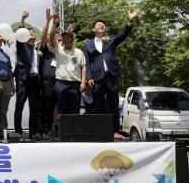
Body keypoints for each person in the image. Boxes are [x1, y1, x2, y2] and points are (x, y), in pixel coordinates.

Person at [84, 9, 141, 139]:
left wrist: (130, 20)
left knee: (113, 105)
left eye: (103, 25)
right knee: (98, 105)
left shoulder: (111, 40)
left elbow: (123, 34)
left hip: (112, 76)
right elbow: (87, 62)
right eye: (99, 24)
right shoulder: (88, 44)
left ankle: (115, 131)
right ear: (94, 29)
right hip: (96, 78)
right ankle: (100, 131)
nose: (102, 26)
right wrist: (88, 77)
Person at [49, 13, 87, 115]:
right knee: (62, 111)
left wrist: (83, 82)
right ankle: (62, 126)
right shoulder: (59, 50)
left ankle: (73, 126)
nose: (66, 39)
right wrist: (54, 24)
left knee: (74, 111)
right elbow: (51, 37)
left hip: (75, 84)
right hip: (61, 83)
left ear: (72, 39)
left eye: (68, 37)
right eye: (64, 38)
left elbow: (83, 67)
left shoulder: (79, 52)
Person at [13, 10, 41, 137]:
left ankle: (33, 132)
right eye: (29, 32)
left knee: (33, 107)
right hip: (23, 79)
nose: (32, 34)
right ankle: (18, 132)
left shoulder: (37, 48)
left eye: (33, 32)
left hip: (35, 80)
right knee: (19, 105)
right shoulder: (22, 45)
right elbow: (20, 33)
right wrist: (23, 19)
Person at [37, 10, 57, 137]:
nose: (52, 38)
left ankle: (49, 129)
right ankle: (41, 130)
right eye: (50, 37)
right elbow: (44, 35)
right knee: (43, 107)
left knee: (52, 108)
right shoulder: (44, 48)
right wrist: (49, 20)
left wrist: (55, 24)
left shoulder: (58, 50)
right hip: (46, 82)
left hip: (57, 82)